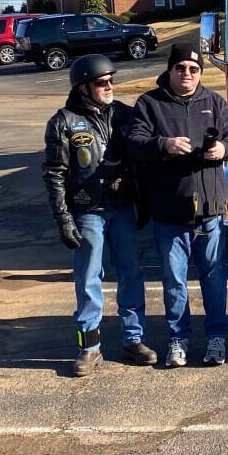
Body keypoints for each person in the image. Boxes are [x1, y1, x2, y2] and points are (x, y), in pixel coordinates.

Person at [127, 41, 228, 368]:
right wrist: (163, 144)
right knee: (174, 282)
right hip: (169, 212)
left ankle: (216, 339)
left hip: (209, 212)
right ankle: (178, 340)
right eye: (180, 68)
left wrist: (223, 149)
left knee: (214, 279)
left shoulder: (214, 102)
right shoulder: (150, 104)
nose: (187, 74)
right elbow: (135, 143)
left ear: (201, 72)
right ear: (170, 69)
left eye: (194, 69)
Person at [42, 53, 154, 377]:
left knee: (131, 273)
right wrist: (62, 217)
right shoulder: (63, 122)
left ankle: (134, 339)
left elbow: (143, 157)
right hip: (86, 212)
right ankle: (89, 347)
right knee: (88, 279)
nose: (109, 86)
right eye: (102, 82)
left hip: (123, 208)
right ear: (83, 87)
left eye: (111, 81)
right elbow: (53, 173)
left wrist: (143, 201)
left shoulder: (126, 115)